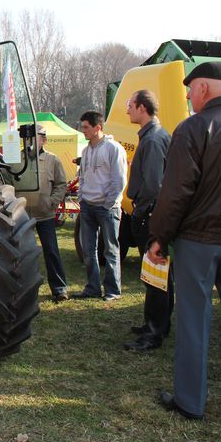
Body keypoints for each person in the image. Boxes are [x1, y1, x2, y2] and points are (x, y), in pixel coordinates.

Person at [147, 62, 221, 422]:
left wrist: (159, 238)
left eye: (190, 90)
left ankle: (190, 402)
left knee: (195, 322)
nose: (189, 97)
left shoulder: (194, 128)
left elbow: (175, 193)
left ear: (205, 89)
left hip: (200, 241)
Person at [122, 90, 171, 352]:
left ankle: (154, 333)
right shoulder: (153, 136)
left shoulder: (152, 140)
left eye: (130, 105)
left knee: (155, 278)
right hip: (152, 213)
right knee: (158, 276)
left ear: (142, 108)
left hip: (150, 215)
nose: (127, 110)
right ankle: (158, 325)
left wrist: (140, 212)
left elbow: (153, 185)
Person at [72, 111, 127, 301]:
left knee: (111, 250)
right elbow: (83, 176)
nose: (83, 130)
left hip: (107, 208)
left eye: (86, 127)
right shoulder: (86, 151)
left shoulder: (114, 148)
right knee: (88, 251)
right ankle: (93, 287)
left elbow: (119, 180)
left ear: (98, 128)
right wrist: (82, 198)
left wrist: (108, 203)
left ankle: (112, 290)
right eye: (82, 126)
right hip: (88, 206)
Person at [23, 125, 69, 301]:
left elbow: (61, 184)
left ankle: (59, 289)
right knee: (23, 254)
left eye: (35, 137)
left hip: (46, 215)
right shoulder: (16, 159)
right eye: (28, 138)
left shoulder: (53, 160)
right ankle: (24, 289)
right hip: (23, 217)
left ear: (43, 140)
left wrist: (53, 201)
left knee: (51, 251)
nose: (31, 141)